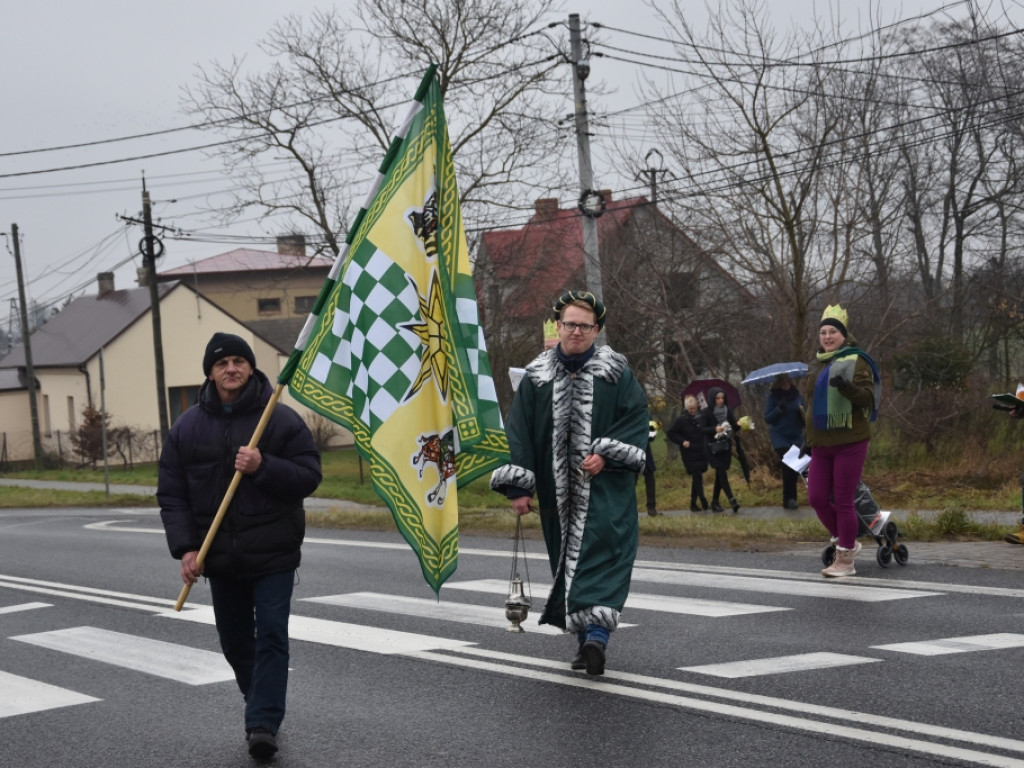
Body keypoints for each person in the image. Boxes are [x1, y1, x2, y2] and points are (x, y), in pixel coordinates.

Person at [157, 332, 322, 758]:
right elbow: (172, 494)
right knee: (234, 642)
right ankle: (260, 701)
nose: (231, 368)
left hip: (273, 552)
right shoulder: (187, 427)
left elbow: (308, 476)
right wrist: (187, 550)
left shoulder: (279, 419)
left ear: (250, 367)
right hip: (220, 557)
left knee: (271, 633)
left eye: (238, 361)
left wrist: (263, 465)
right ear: (210, 374)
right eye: (221, 363)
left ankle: (262, 724)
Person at [490, 290, 649, 676]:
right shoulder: (537, 377)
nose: (576, 331)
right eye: (570, 324)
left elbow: (636, 419)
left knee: (607, 556)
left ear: (597, 330)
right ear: (557, 327)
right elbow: (520, 432)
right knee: (569, 563)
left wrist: (607, 453)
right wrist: (520, 486)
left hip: (606, 489)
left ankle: (596, 636)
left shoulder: (617, 374)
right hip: (555, 493)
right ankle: (585, 644)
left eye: (585, 326)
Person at [804, 305, 882, 578]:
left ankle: (845, 560)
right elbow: (811, 405)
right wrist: (807, 438)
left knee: (845, 500)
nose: (827, 337)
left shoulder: (857, 360)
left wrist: (845, 387)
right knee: (816, 498)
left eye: (833, 332)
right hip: (821, 442)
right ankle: (846, 539)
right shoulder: (817, 364)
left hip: (850, 440)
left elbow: (867, 399)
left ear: (844, 335)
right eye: (823, 332)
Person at [764, 373, 805, 509]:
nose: (786, 383)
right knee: (788, 466)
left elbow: (805, 410)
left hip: (796, 435)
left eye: (787, 380)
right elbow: (768, 418)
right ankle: (789, 499)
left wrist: (803, 413)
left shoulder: (797, 395)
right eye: (782, 381)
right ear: (778, 383)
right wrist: (778, 409)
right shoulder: (774, 397)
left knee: (795, 468)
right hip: (780, 436)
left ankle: (792, 498)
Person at [666, 395, 711, 512]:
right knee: (697, 475)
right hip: (689, 452)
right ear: (686, 408)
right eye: (691, 409)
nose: (693, 411)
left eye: (695, 408)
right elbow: (671, 433)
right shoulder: (682, 420)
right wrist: (682, 441)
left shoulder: (701, 418)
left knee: (697, 477)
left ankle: (693, 504)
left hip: (701, 450)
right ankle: (703, 500)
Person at [704, 387, 741, 513]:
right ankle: (732, 499)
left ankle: (714, 501)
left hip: (725, 446)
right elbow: (702, 429)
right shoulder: (707, 412)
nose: (720, 400)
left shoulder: (727, 410)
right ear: (712, 399)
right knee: (721, 472)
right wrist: (715, 429)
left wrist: (740, 424)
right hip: (712, 447)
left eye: (722, 398)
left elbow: (734, 426)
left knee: (720, 475)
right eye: (717, 398)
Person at [638, 419, 661, 516]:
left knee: (650, 477)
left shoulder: (646, 414)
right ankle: (628, 506)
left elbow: (651, 437)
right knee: (631, 479)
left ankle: (651, 507)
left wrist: (654, 428)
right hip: (630, 447)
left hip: (645, 449)